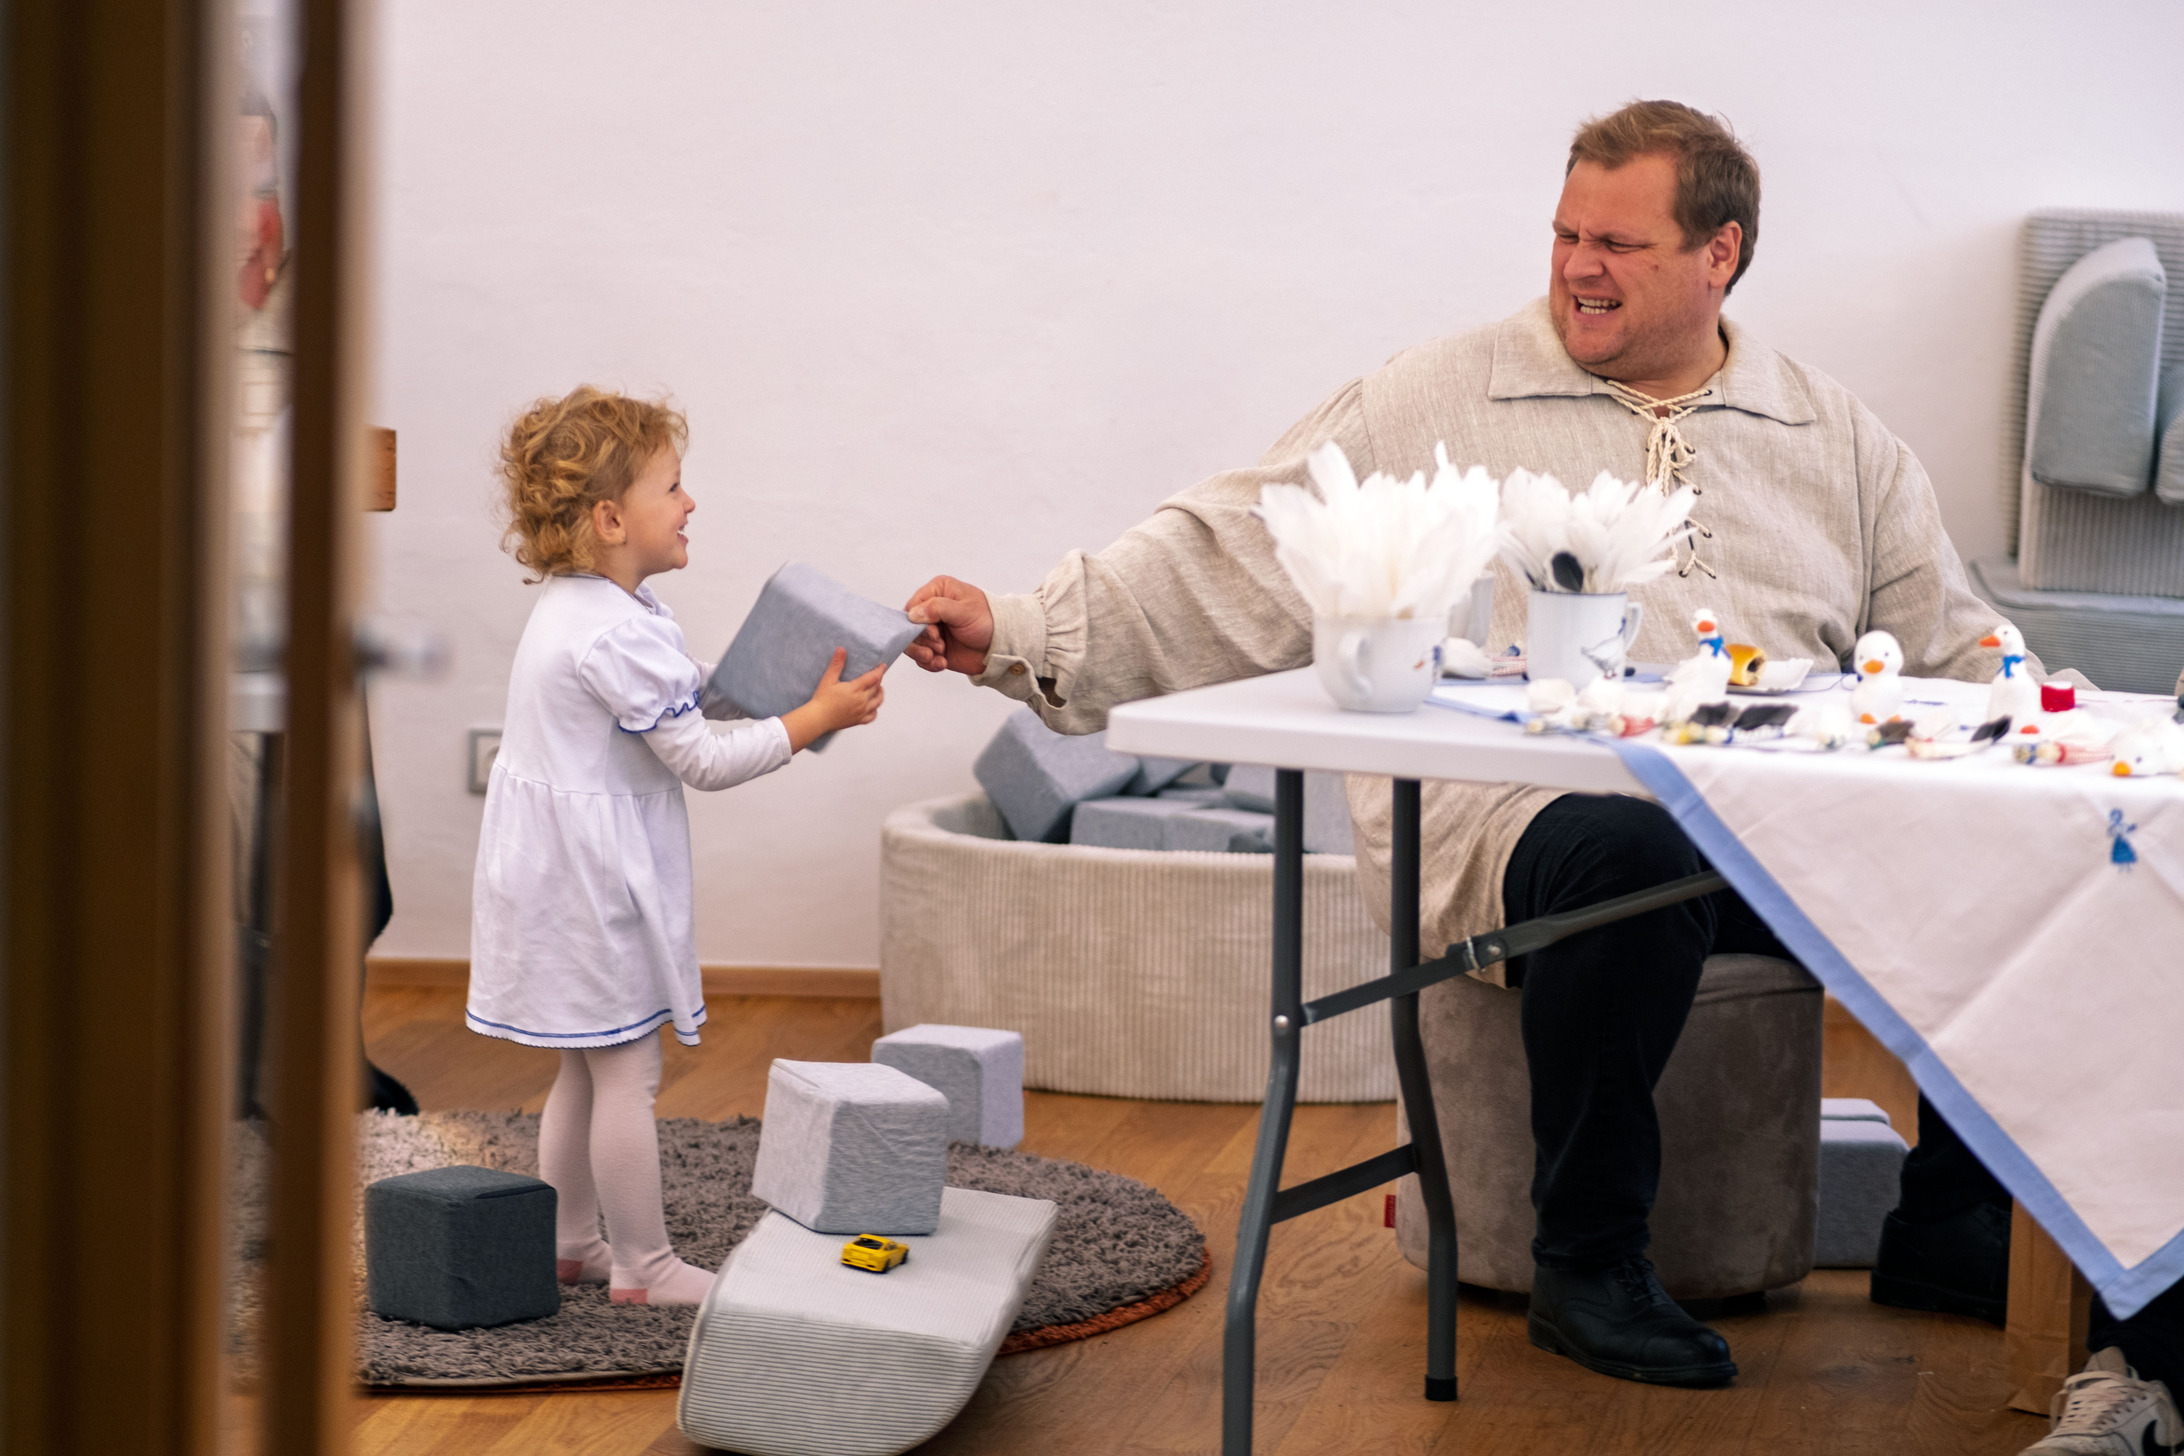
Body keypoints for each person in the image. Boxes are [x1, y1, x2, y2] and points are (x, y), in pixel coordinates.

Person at [902, 99, 2061, 1390]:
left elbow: (1956, 643)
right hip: (1510, 822)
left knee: (2026, 857)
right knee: (1631, 849)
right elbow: (1243, 544)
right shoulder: (1440, 398)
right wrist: (1024, 628)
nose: (1578, 267)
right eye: (1566, 234)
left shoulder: (1831, 434)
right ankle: (1588, 1262)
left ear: (1719, 253)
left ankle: (1954, 1222)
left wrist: (2075, 739)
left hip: (1780, 825)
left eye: (1618, 243)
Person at [470, 386, 885, 1305]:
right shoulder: (616, 632)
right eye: (672, 487)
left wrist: (790, 693)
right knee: (628, 1071)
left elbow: (689, 690)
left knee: (585, 1063)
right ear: (611, 520)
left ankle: (570, 1242)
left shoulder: (592, 607)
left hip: (554, 876)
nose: (690, 502)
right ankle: (644, 1266)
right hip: (589, 884)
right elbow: (701, 757)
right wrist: (812, 719)